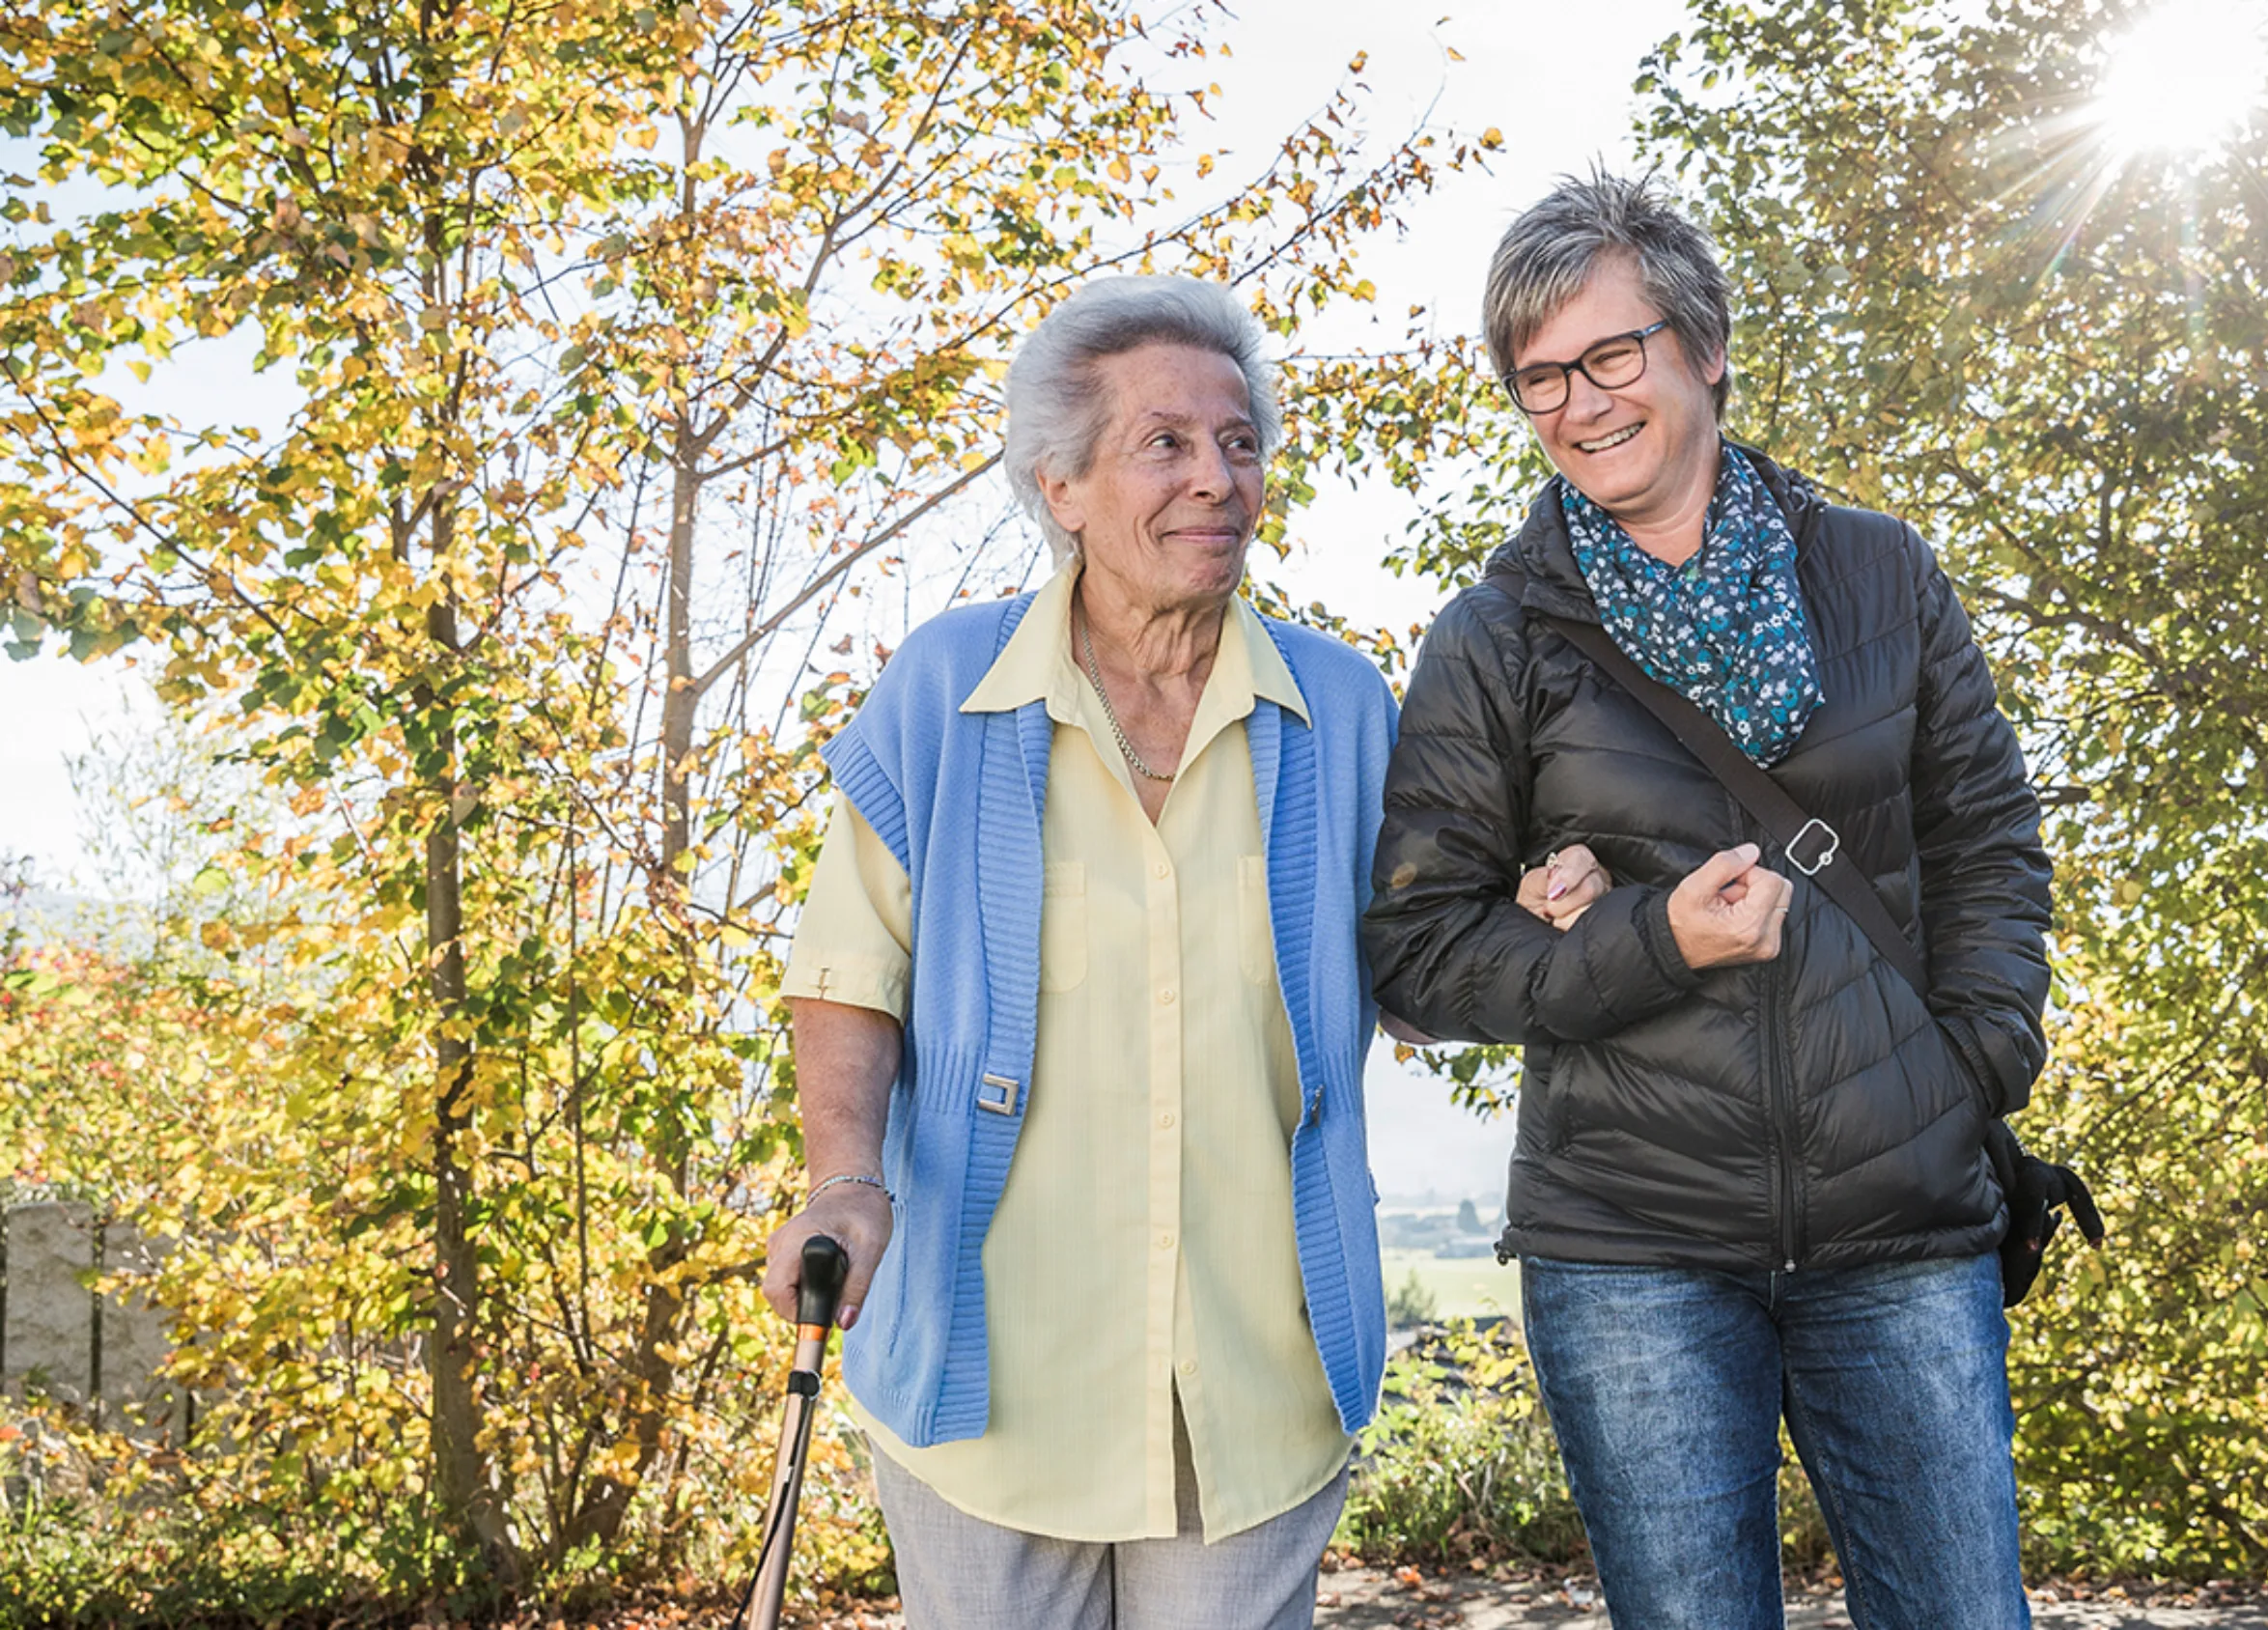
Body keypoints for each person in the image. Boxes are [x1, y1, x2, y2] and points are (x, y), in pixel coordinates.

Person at [1360, 174, 2055, 1630]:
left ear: (1705, 345)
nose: (1580, 404)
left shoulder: (1879, 571)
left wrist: (1974, 1059)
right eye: (1539, 377)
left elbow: (1986, 832)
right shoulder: (1498, 640)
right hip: (1633, 1255)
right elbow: (1418, 956)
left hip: (1905, 1230)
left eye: (1612, 355)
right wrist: (1649, 938)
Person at [757, 276, 1399, 1630]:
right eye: (1165, 443)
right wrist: (846, 1180)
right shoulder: (947, 691)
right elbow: (849, 969)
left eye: (1238, 443)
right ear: (1061, 486)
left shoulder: (1340, 711)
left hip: (1254, 1379)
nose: (1216, 478)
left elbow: (1429, 951)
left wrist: (1554, 903)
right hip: (996, 1386)